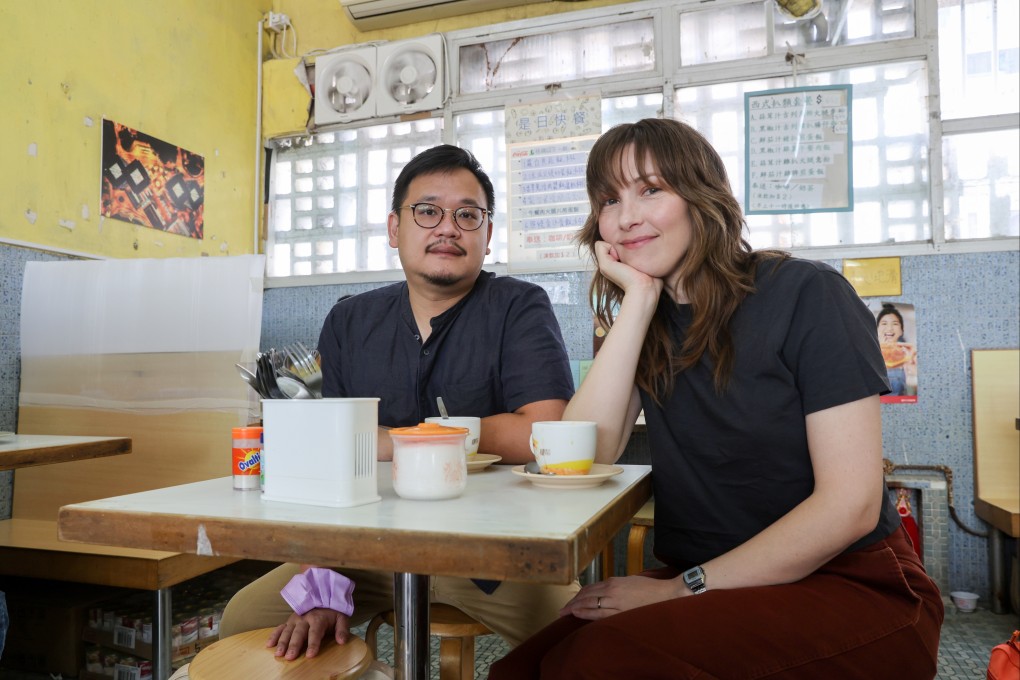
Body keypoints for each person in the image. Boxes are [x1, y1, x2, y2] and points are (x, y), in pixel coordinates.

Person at [489, 118, 944, 679]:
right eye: (609, 199)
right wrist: (637, 301)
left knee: (597, 663)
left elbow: (848, 508)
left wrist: (682, 589)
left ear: (700, 195)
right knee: (523, 667)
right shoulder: (637, 321)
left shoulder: (806, 293)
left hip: (851, 583)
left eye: (650, 189)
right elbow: (582, 455)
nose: (626, 216)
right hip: (716, 581)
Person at [219, 144, 579, 662]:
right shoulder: (351, 321)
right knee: (243, 624)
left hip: (489, 556)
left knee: (583, 647)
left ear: (487, 234)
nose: (448, 227)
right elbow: (327, 460)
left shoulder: (519, 307)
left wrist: (391, 440)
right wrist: (320, 581)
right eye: (428, 210)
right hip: (362, 552)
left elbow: (543, 432)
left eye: (467, 215)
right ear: (394, 229)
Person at [876, 302, 916, 396]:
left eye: (895, 324)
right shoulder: (869, 354)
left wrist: (914, 373)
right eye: (884, 323)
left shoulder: (909, 355)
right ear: (876, 329)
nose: (889, 328)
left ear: (901, 330)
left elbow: (915, 391)